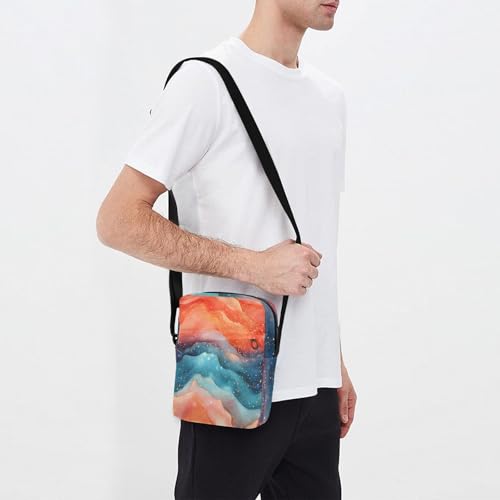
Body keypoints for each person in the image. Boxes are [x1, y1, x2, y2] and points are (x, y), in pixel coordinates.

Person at [97, 0, 357, 498]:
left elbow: (320, 235)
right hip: (230, 374)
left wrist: (334, 361)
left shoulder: (330, 98)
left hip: (317, 387)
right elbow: (117, 220)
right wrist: (252, 266)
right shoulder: (206, 83)